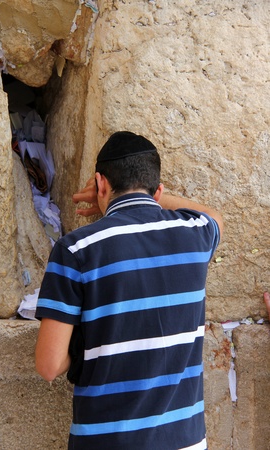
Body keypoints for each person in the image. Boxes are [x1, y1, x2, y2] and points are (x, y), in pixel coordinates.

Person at [35, 131, 223, 450]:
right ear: (158, 190)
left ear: (101, 183)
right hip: (186, 441)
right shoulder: (195, 236)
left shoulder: (76, 249)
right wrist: (156, 198)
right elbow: (214, 216)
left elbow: (49, 365)